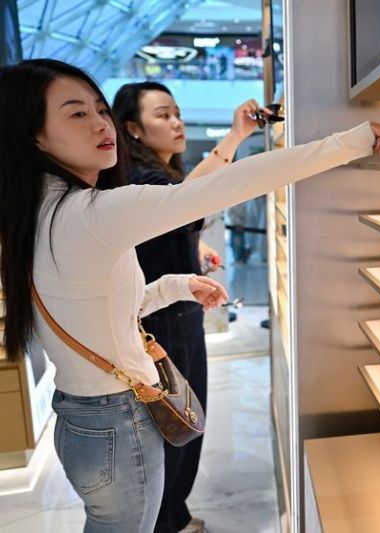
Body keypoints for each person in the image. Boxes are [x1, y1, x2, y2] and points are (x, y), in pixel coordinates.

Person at [0, 58, 380, 533]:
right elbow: (231, 184)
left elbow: (100, 312)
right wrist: (352, 142)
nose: (102, 124)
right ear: (34, 136)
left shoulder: (36, 211)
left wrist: (176, 286)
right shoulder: (91, 212)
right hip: (117, 421)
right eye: (77, 113)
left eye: (100, 109)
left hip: (80, 419)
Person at [111, 82, 263, 533]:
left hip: (176, 313)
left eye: (176, 113)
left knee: (185, 420)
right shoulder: (141, 177)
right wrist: (235, 137)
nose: (176, 123)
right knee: (178, 423)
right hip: (163, 319)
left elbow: (169, 224)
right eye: (163, 115)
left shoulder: (155, 173)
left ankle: (173, 515)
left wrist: (193, 250)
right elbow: (183, 205)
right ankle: (168, 521)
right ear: (133, 128)